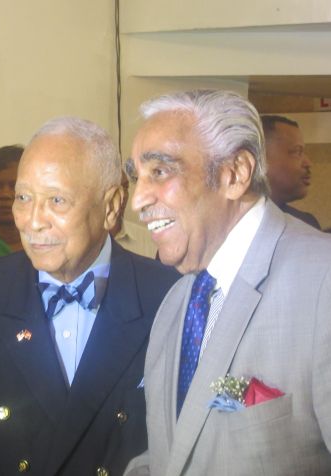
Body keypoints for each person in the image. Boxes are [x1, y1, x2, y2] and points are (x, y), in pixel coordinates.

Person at [0, 117, 179, 476]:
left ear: (112, 206)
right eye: (23, 197)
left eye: (57, 200)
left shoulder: (170, 300)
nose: (32, 221)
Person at [124, 90, 331, 475]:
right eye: (137, 175)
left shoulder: (323, 282)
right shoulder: (176, 301)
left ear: (234, 173)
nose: (137, 200)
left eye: (160, 171)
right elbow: (173, 454)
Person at [261, 114, 321, 229]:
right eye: (297, 152)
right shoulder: (226, 223)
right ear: (261, 158)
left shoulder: (306, 225)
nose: (308, 163)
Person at [111, 171, 158, 258]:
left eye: (125, 187)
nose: (123, 196)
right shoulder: (85, 241)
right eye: (116, 189)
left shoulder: (149, 240)